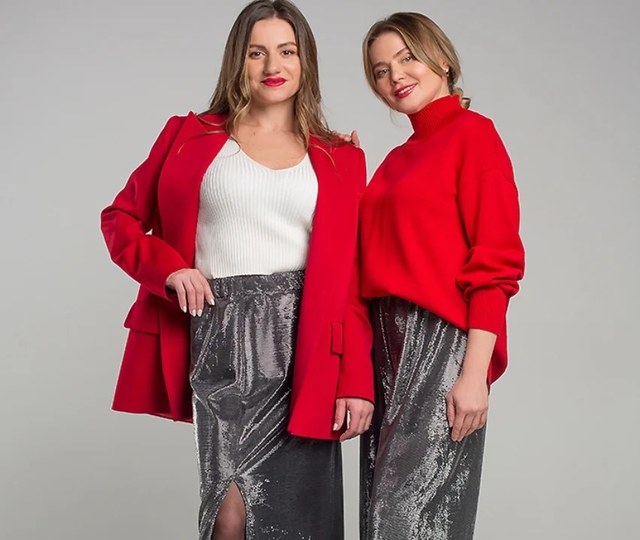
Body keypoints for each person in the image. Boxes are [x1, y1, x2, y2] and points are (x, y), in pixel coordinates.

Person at [100, 1, 374, 538]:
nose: (273, 65)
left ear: (305, 61)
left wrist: (356, 381)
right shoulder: (189, 136)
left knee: (299, 520)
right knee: (230, 515)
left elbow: (351, 278)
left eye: (287, 51)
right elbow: (121, 218)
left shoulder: (339, 156)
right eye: (257, 52)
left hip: (306, 343)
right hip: (221, 336)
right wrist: (170, 269)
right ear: (238, 61)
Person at [357, 12, 525, 540]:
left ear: (443, 60)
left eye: (407, 57)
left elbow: (496, 261)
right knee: (381, 514)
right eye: (381, 70)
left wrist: (474, 373)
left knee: (407, 517)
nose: (395, 76)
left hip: (440, 340)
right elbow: (363, 255)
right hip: (383, 344)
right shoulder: (392, 163)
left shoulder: (474, 136)